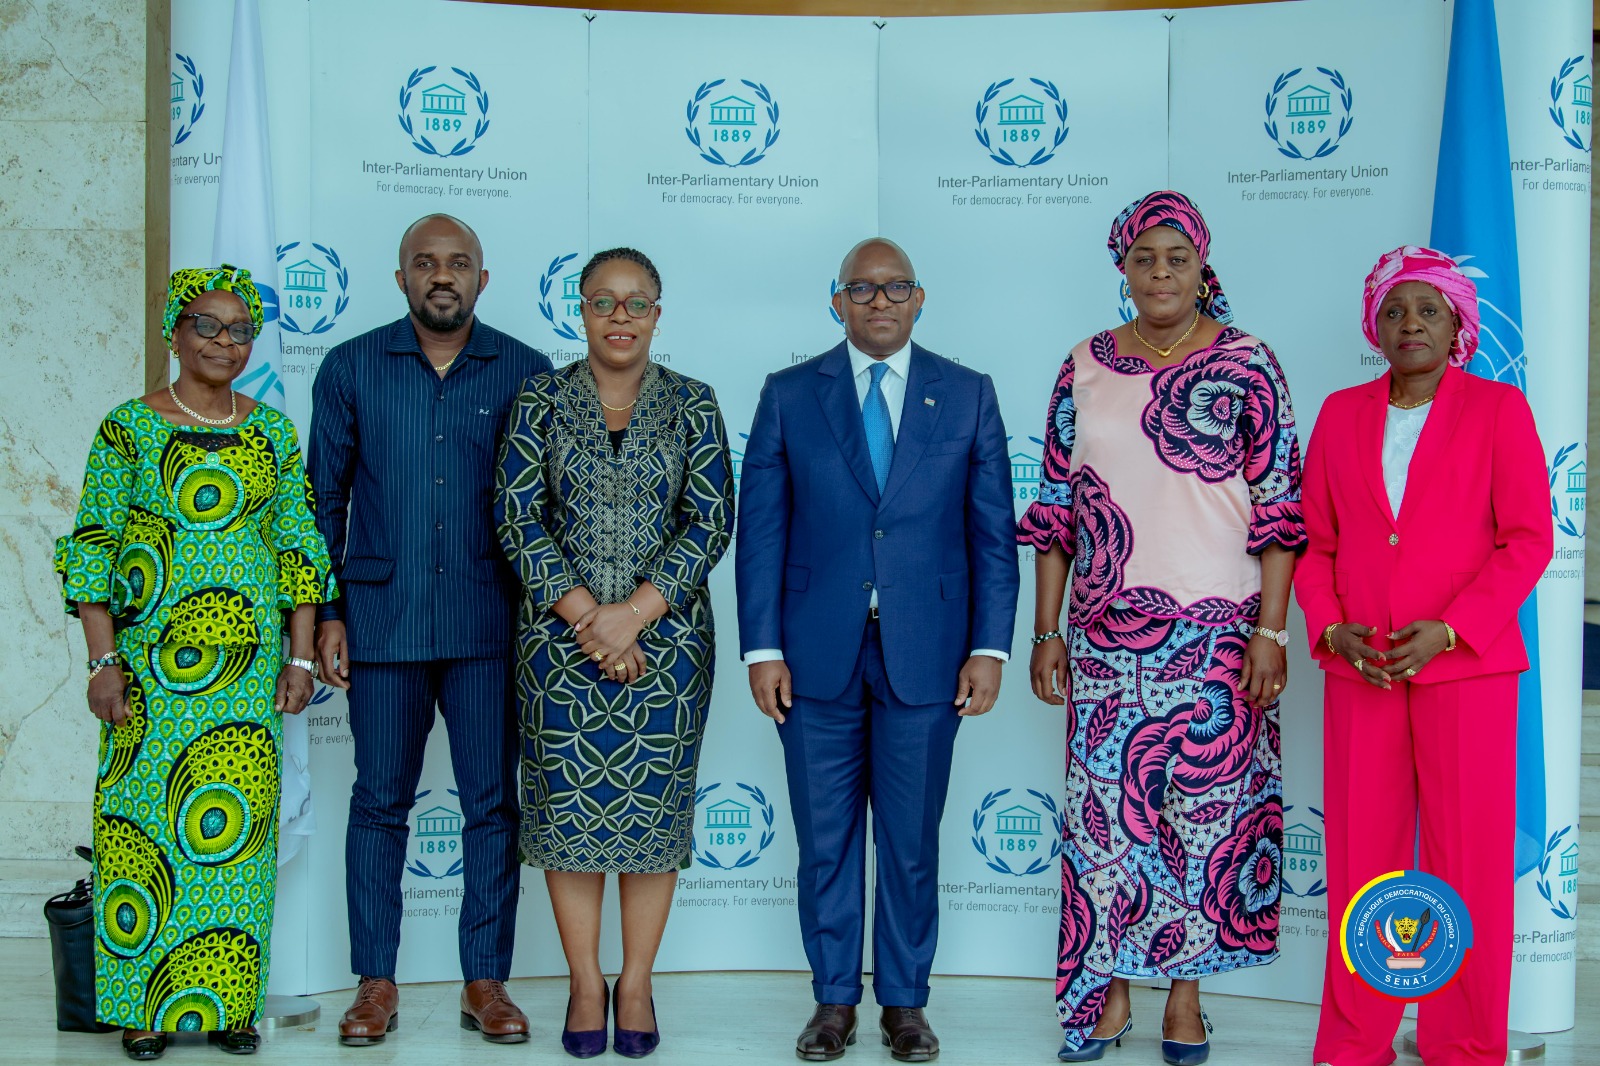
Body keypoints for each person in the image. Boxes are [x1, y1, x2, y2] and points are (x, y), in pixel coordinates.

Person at [1019, 191, 1303, 1065]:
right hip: (1108, 636)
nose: (1161, 272)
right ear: (1123, 267)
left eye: (1177, 257)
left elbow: (1280, 509)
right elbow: (1057, 510)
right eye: (1144, 257)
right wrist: (1047, 629)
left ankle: (1185, 999)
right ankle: (1107, 992)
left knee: (1207, 823)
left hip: (1223, 636)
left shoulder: (1250, 362)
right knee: (1106, 823)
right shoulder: (1084, 364)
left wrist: (1272, 633)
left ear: (1201, 264)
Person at [736, 238, 1019, 1063]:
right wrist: (762, 648)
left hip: (929, 654)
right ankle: (833, 1002)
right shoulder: (789, 394)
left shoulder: (967, 393)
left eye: (896, 288)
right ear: (837, 302)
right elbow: (761, 532)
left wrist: (989, 647)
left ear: (920, 298)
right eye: (862, 289)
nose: (880, 301)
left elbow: (992, 533)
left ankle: (904, 1004)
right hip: (811, 656)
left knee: (909, 841)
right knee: (824, 841)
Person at [54, 266, 334, 1060]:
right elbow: (93, 550)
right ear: (174, 334)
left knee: (234, 839)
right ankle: (145, 1008)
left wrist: (301, 656)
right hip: (148, 673)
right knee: (142, 833)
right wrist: (101, 662)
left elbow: (298, 549)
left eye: (239, 330)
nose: (223, 342)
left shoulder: (272, 433)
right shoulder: (127, 429)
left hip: (245, 676)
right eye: (205, 325)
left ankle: (228, 1005)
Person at [1298, 246, 1552, 1066]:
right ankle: (1354, 1040)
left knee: (1466, 861)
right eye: (1395, 310)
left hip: (1466, 668)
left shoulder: (1499, 410)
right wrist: (1330, 628)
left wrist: (1451, 627)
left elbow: (1527, 540)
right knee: (1362, 861)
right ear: (1375, 326)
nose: (1410, 323)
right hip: (1362, 668)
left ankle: (1465, 1041)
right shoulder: (1340, 413)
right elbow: (1315, 545)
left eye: (1428, 310)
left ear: (1456, 326)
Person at [308, 213, 552, 1046]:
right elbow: (322, 501)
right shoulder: (350, 367)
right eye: (425, 262)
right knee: (379, 803)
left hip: (490, 624)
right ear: (401, 278)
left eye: (458, 263)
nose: (441, 275)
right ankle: (375, 983)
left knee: (492, 806)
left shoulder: (526, 369)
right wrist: (328, 615)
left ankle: (485, 981)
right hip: (384, 622)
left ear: (482, 278)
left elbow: (544, 507)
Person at [495, 247, 733, 1059]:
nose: (620, 317)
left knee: (652, 817)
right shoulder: (539, 400)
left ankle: (634, 981)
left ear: (657, 314)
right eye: (604, 301)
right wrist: (590, 620)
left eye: (636, 303)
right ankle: (584, 982)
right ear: (582, 311)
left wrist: (632, 617)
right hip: (557, 648)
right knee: (568, 817)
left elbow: (711, 521)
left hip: (669, 645)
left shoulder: (694, 403)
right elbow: (517, 517)